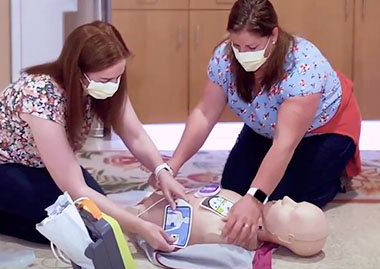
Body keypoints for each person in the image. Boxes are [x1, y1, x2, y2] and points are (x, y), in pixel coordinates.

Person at [150, 0, 361, 248]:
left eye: (252, 46)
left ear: (274, 34)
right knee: (231, 190)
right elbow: (205, 113)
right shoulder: (225, 58)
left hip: (324, 131)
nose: (243, 53)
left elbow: (284, 144)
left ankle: (336, 175)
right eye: (237, 45)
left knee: (282, 197)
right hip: (265, 127)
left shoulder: (302, 69)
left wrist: (255, 198)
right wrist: (172, 165)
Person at [0, 21, 188, 252]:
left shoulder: (104, 85)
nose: (113, 85)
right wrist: (138, 227)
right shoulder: (40, 94)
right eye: (105, 80)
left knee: (98, 215)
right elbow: (76, 188)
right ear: (77, 72)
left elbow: (134, 134)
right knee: (84, 230)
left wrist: (161, 170)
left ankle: (16, 203)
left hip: (37, 161)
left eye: (119, 76)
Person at [133, 188, 328, 257]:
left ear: (287, 237)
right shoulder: (244, 203)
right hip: (160, 197)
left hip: (145, 218)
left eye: (292, 209)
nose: (287, 199)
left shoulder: (233, 239)